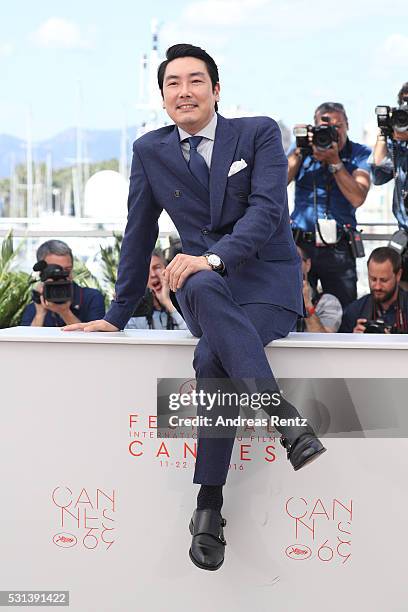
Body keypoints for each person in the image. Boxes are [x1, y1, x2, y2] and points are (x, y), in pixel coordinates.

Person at [63, 43, 325, 571]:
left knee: (210, 358)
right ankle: (279, 415)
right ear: (163, 98)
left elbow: (269, 210)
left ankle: (208, 506)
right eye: (173, 84)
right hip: (201, 284)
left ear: (216, 90)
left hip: (265, 282)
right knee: (198, 283)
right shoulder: (149, 151)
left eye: (196, 81)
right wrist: (117, 314)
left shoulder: (257, 133)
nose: (185, 91)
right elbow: (138, 234)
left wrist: (213, 256)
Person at [288, 102, 371, 307]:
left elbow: (358, 197)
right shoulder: (301, 150)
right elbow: (277, 183)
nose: (332, 133)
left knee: (345, 311)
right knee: (296, 306)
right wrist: (299, 150)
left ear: (347, 126)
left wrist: (335, 163)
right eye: (324, 128)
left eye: (338, 126)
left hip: (339, 248)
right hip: (301, 246)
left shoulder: (358, 153)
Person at [370, 82, 408, 288]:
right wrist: (383, 134)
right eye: (404, 101)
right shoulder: (399, 143)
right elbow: (377, 174)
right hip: (405, 235)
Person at [21, 240, 105, 327]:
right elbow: (28, 339)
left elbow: (94, 339)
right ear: (41, 272)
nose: (61, 276)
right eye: (54, 271)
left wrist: (65, 312)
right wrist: (40, 314)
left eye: (67, 270)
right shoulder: (35, 304)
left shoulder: (92, 298)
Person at [339, 247, 408, 333]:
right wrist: (354, 338)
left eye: (384, 280)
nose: (377, 287)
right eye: (373, 279)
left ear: (398, 275)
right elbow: (340, 344)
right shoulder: (354, 311)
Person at [125, 248, 187, 330]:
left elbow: (192, 335)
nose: (153, 274)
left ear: (167, 269)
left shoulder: (183, 300)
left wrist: (167, 303)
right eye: (146, 270)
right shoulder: (137, 310)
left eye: (157, 267)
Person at [297, 245, 342, 332]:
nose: (290, 266)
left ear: (308, 264)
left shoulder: (328, 302)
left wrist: (307, 305)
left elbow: (324, 342)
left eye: (295, 259)